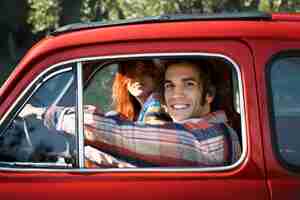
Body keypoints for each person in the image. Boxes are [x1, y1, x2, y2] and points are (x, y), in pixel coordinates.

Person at [20, 60, 241, 167]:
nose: (176, 95)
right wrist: (83, 155)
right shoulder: (195, 133)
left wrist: (46, 114)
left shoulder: (213, 138)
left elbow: (123, 136)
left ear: (209, 95)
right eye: (169, 86)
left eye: (189, 85)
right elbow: (139, 162)